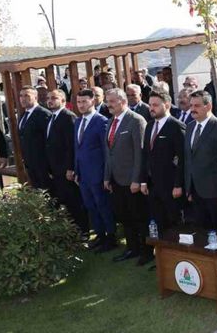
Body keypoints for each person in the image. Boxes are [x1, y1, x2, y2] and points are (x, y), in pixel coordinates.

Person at [103, 88, 150, 265]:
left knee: (140, 217)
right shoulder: (110, 122)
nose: (108, 105)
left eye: (112, 101)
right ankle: (132, 248)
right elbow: (109, 153)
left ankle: (146, 251)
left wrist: (137, 179)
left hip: (132, 181)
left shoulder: (136, 121)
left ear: (123, 102)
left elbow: (140, 153)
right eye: (107, 101)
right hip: (116, 180)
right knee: (124, 216)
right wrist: (107, 177)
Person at [184, 90, 217, 230]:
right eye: (191, 106)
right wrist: (189, 189)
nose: (192, 109)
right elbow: (189, 160)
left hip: (216, 193)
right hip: (196, 192)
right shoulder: (189, 128)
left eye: (197, 106)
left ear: (208, 106)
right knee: (201, 233)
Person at [73, 89, 117, 252]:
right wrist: (77, 171)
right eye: (78, 102)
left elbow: (107, 151)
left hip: (98, 173)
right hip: (83, 174)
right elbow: (77, 149)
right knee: (90, 206)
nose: (81, 105)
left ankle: (111, 237)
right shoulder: (78, 122)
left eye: (84, 101)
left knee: (103, 205)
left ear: (92, 101)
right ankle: (100, 235)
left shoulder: (101, 121)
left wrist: (106, 175)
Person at [141, 91, 186, 236]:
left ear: (166, 105)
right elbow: (145, 155)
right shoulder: (149, 126)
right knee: (158, 221)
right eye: (150, 105)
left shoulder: (176, 126)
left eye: (155, 105)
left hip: (171, 185)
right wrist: (143, 181)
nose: (151, 108)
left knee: (174, 223)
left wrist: (178, 185)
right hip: (153, 185)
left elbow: (183, 158)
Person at [44, 89, 88, 235]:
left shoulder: (68, 117)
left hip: (66, 169)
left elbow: (72, 145)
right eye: (48, 98)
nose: (50, 100)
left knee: (74, 201)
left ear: (63, 101)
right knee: (64, 201)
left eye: (54, 98)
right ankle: (71, 232)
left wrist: (70, 168)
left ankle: (83, 232)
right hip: (56, 168)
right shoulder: (52, 117)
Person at [17, 85, 54, 190]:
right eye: (21, 96)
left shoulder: (43, 114)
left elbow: (49, 140)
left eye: (27, 96)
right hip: (30, 162)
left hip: (43, 163)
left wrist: (49, 166)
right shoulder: (24, 114)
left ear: (35, 97)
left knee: (48, 192)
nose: (23, 99)